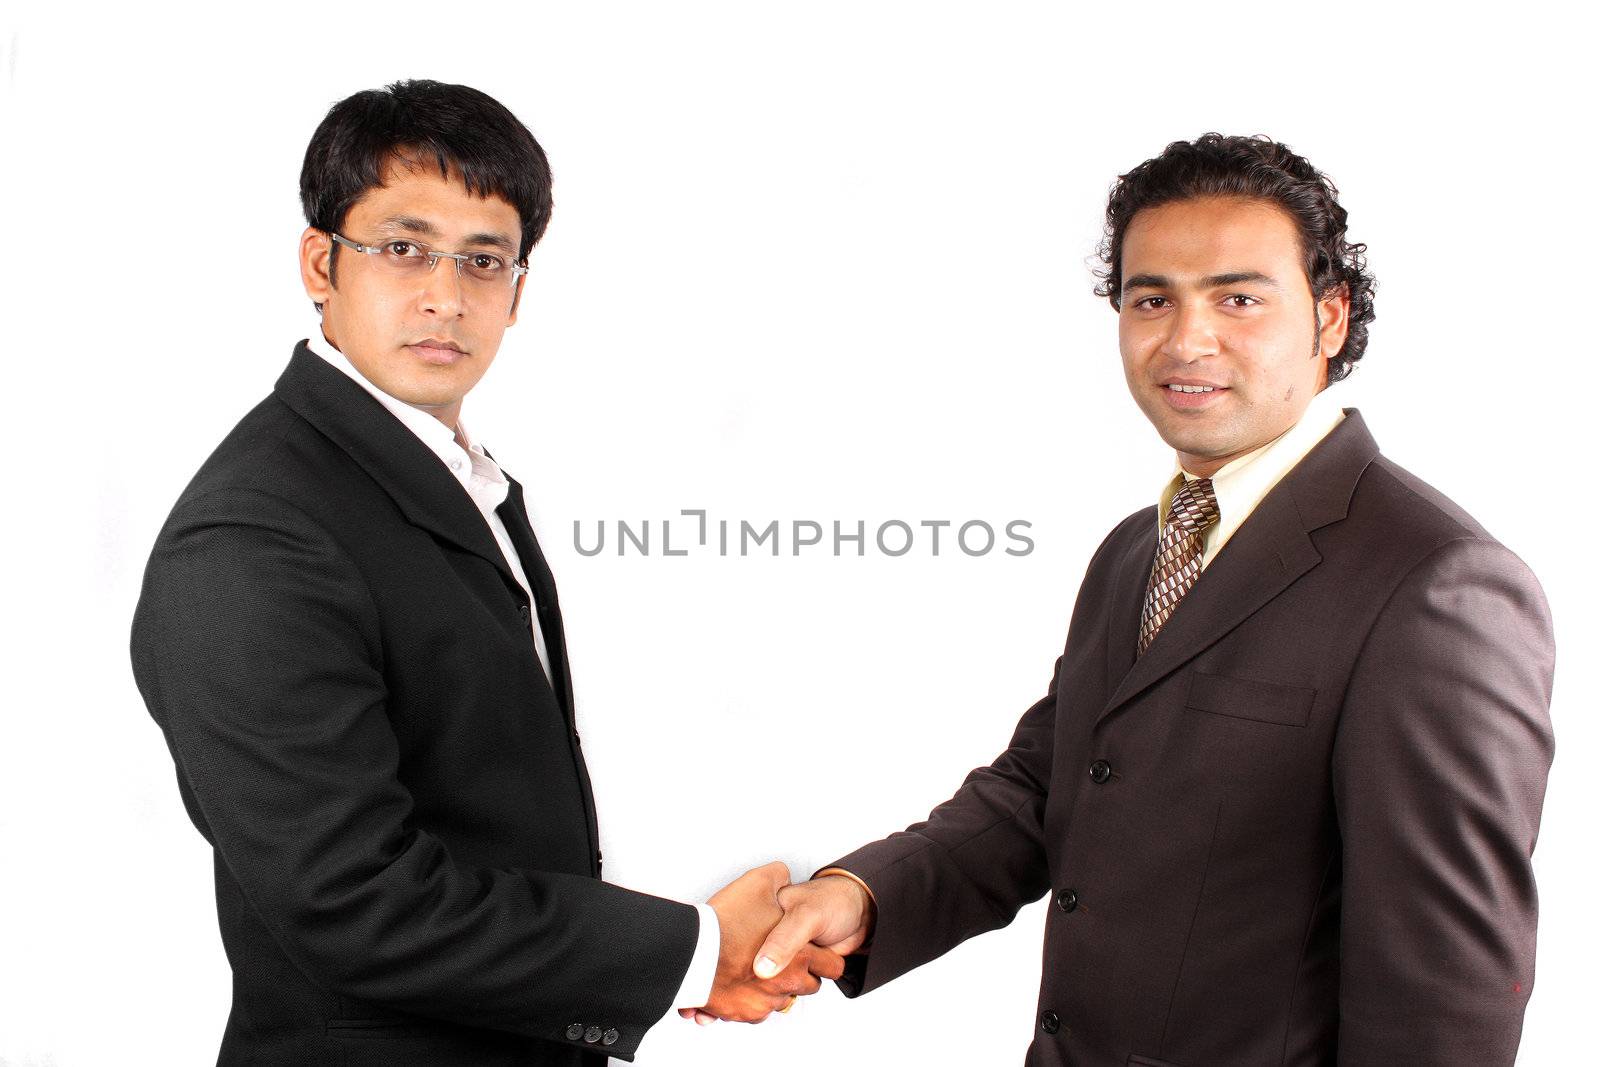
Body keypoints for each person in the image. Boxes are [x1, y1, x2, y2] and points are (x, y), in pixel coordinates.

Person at [745, 134, 1556, 1065]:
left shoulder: (1436, 583)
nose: (1185, 340)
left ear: (1329, 319)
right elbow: (1047, 787)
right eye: (1151, 299)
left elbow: (1444, 993)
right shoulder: (1140, 547)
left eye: (1239, 299)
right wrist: (863, 894)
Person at [129, 79, 837, 1066]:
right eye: (403, 247)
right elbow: (358, 903)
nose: (445, 295)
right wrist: (694, 950)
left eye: (483, 260)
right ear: (318, 263)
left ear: (518, 288)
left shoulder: (448, 476)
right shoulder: (256, 534)